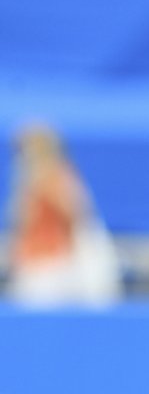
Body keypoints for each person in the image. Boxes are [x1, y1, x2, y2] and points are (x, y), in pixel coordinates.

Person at [5, 122, 122, 308]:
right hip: (36, 266)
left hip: (51, 268)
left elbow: (77, 216)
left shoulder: (59, 179)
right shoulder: (28, 181)